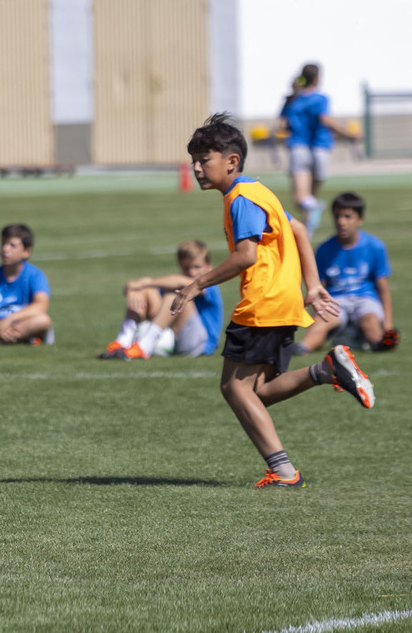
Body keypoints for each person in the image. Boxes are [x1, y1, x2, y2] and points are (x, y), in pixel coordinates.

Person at [172, 113, 375, 489]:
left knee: (234, 389)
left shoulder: (240, 199)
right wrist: (311, 286)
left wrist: (197, 283)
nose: (197, 168)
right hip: (283, 302)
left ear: (231, 161)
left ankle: (283, 472)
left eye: (205, 160)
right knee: (255, 392)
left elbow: (246, 256)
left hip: (262, 303)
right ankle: (325, 371)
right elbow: (297, 229)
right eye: (194, 161)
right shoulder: (258, 190)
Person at [294, 192, 397, 355]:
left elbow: (383, 288)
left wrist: (388, 324)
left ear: (360, 219)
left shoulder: (375, 246)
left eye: (348, 216)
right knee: (321, 324)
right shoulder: (324, 249)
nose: (341, 222)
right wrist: (316, 316)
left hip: (365, 299)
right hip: (337, 300)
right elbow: (319, 285)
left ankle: (368, 339)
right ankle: (302, 348)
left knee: (371, 325)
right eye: (337, 216)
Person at [99, 240, 223, 360]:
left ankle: (144, 347)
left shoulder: (208, 284)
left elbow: (181, 281)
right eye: (186, 267)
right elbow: (129, 288)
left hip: (199, 344)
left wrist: (144, 283)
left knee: (174, 296)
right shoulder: (177, 283)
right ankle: (123, 341)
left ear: (208, 266)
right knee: (146, 291)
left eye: (197, 266)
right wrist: (134, 289)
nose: (192, 271)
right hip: (176, 337)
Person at [279, 63, 362, 236]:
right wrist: (348, 134)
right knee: (310, 197)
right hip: (320, 148)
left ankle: (309, 220)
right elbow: (325, 119)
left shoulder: (292, 99)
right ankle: (306, 232)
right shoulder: (321, 98)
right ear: (318, 78)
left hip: (298, 147)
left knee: (302, 199)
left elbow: (282, 124)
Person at [0, 223, 54, 347]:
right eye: (3, 244)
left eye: (12, 245)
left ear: (26, 251)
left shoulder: (35, 275)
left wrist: (10, 319)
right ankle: (21, 339)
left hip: (19, 324)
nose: (5, 249)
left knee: (43, 320)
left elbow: (41, 305)